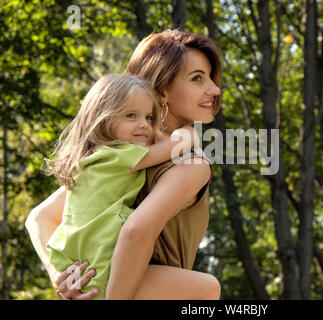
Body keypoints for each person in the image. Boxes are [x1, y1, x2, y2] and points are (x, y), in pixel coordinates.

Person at [25, 29, 223, 300]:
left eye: (211, 77)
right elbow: (135, 231)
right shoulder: (189, 163)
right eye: (198, 78)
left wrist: (61, 276)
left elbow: (39, 217)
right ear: (163, 90)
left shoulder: (118, 153)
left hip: (100, 287)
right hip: (138, 291)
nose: (214, 89)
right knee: (209, 289)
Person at [44, 74, 199, 300]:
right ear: (103, 119)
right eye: (131, 115)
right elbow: (178, 145)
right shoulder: (119, 156)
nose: (144, 124)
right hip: (105, 273)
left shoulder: (92, 160)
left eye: (148, 117)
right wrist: (190, 132)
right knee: (206, 288)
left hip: (85, 273)